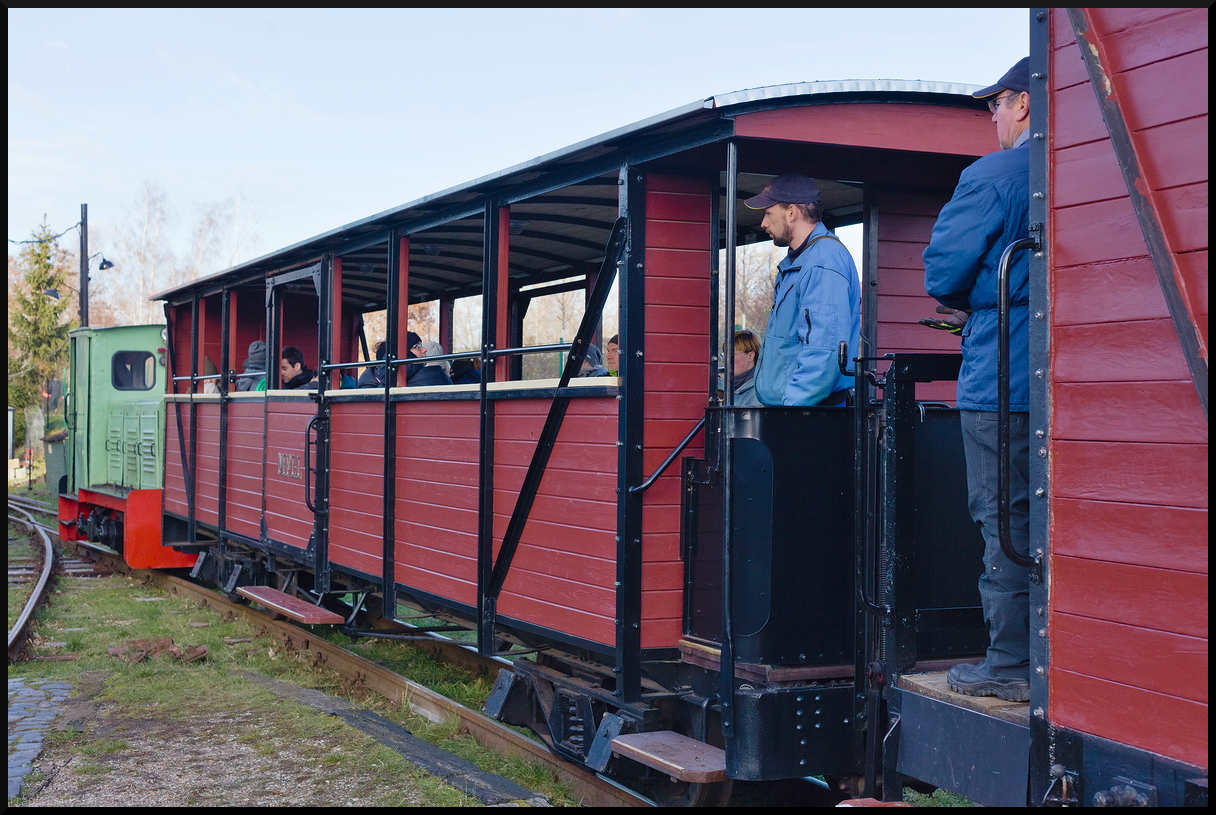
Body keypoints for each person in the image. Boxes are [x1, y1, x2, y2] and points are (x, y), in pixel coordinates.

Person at [923, 57, 1032, 703]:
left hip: (1002, 373)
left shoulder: (992, 175)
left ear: (1022, 103)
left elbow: (943, 271)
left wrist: (978, 303)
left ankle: (1011, 663)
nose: (992, 117)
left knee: (1002, 516)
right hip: (1066, 379)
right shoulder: (1082, 168)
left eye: (995, 104)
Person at [744, 174, 860, 406]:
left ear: (791, 212)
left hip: (808, 415)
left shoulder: (822, 261)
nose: (763, 223)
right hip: (796, 412)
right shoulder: (801, 261)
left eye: (768, 213)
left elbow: (823, 348)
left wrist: (794, 410)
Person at [731, 329, 762, 406]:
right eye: (725, 355)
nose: (726, 360)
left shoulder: (759, 394)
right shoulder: (732, 389)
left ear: (750, 356)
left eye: (732, 355)